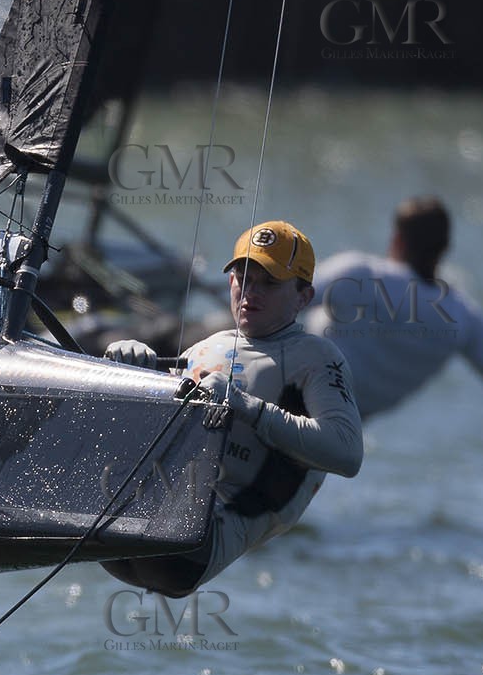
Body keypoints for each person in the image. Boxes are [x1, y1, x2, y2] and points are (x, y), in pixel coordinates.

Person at [99, 221, 363, 597]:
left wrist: (245, 406)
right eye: (243, 278)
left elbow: (348, 455)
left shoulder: (317, 358)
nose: (250, 293)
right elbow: (155, 430)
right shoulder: (206, 347)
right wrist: (130, 370)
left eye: (269, 283)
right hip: (128, 534)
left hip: (194, 546)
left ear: (304, 297)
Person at [304, 197, 483, 419]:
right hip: (342, 431)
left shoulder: (361, 274)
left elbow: (285, 297)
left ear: (397, 240)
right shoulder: (461, 316)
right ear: (445, 248)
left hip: (293, 396)